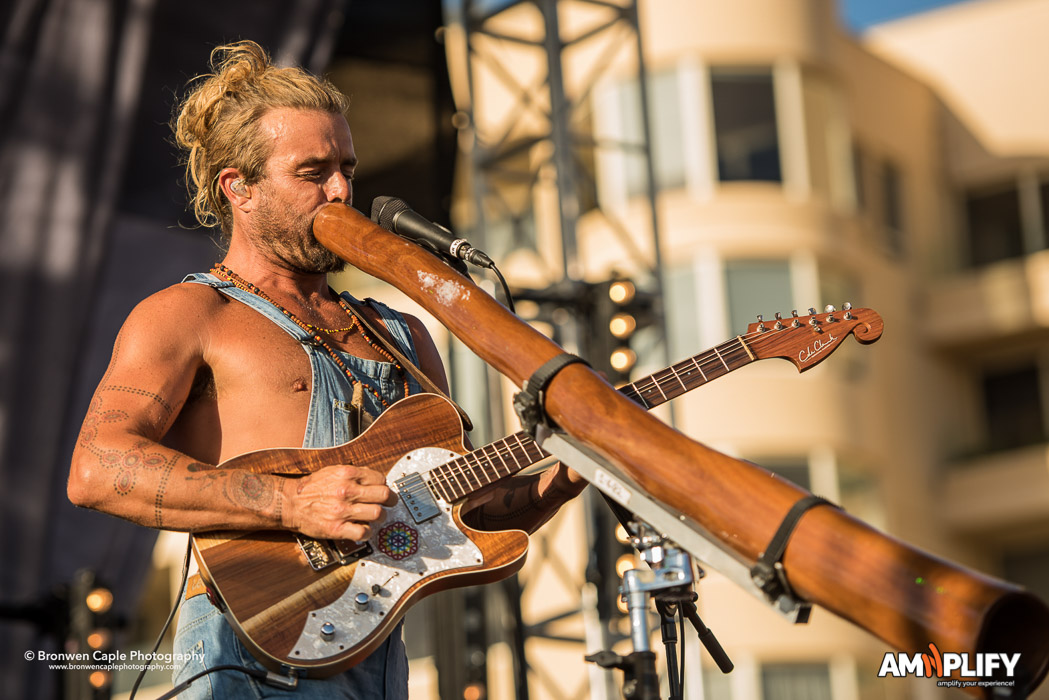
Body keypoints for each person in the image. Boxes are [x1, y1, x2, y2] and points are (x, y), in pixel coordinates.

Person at [67, 39, 587, 699]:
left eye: (347, 166)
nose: (341, 190)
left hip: (376, 656)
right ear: (240, 187)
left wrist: (567, 475)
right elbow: (96, 469)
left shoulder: (401, 334)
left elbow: (463, 519)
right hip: (248, 655)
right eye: (312, 172)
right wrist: (289, 501)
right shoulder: (189, 313)